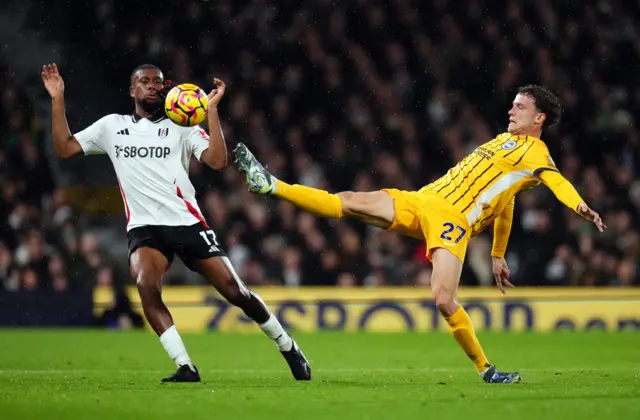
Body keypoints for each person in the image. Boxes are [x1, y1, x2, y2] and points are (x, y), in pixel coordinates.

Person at [233, 84, 606, 384]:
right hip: (424, 199)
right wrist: (497, 254)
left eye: (520, 107)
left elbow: (556, 184)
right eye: (512, 104)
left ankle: (486, 370)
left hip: (454, 221)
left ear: (539, 118)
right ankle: (272, 185)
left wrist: (579, 206)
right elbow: (505, 202)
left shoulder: (537, 153)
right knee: (347, 201)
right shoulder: (502, 141)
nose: (511, 111)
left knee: (444, 299)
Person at [41, 63, 311, 383]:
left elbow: (217, 160)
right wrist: (57, 98)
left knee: (235, 292)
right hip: (144, 228)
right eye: (145, 81)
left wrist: (210, 111)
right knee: (145, 286)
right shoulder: (111, 127)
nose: (153, 86)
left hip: (187, 223)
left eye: (158, 81)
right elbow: (64, 147)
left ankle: (287, 345)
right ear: (132, 90)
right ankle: (186, 366)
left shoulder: (182, 125)